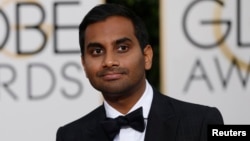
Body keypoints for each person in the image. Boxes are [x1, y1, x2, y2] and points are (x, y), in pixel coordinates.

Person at [56, 3, 224, 141]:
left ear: (146, 56)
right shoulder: (70, 136)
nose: (109, 61)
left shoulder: (203, 122)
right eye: (97, 52)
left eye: (122, 48)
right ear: (84, 64)